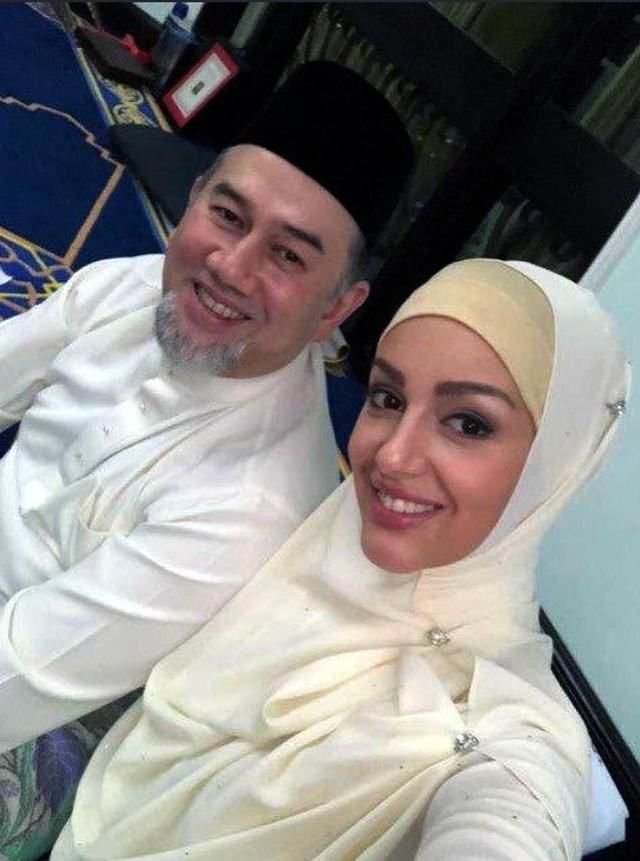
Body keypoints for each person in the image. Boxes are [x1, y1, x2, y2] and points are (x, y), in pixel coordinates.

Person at [51, 258, 630, 860]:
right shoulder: (298, 541)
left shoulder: (508, 732)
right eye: (387, 397)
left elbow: (507, 824)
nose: (393, 457)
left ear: (558, 463)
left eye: (468, 423)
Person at [0, 61, 413, 852]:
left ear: (337, 307)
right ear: (192, 200)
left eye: (288, 256)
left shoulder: (251, 506)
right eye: (228, 215)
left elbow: (21, 674)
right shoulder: (132, 288)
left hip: (48, 706)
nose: (229, 267)